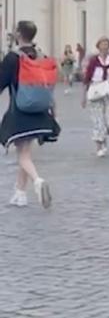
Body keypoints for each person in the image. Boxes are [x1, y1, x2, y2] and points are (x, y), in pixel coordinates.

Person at [0, 20, 60, 208]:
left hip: (20, 111)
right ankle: (20, 193)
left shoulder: (12, 57)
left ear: (18, 34)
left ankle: (37, 181)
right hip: (40, 110)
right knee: (26, 153)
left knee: (23, 156)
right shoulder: (41, 55)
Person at [82, 36, 109, 157]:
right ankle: (100, 146)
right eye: (102, 44)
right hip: (96, 89)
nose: (104, 46)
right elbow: (87, 78)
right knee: (98, 120)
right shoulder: (94, 61)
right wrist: (83, 96)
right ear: (98, 46)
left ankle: (105, 136)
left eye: (106, 44)